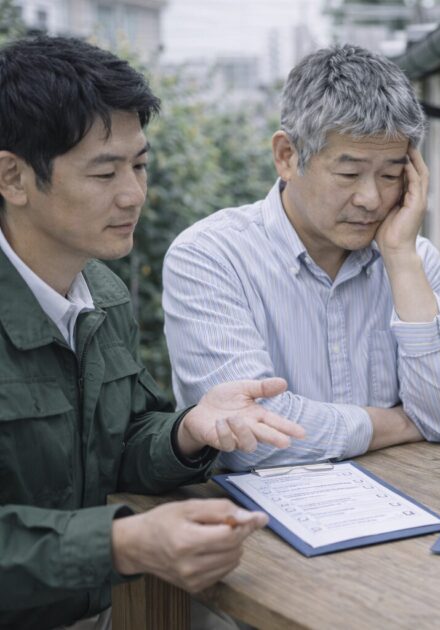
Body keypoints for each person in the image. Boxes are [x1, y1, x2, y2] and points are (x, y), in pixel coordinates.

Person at [0, 37, 305, 629]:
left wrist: (189, 430)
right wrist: (122, 543)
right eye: (104, 171)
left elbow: (118, 444)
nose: (133, 195)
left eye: (139, 165)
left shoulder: (103, 295)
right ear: (13, 177)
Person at [162, 45, 440, 471]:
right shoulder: (209, 257)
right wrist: (397, 424)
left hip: (404, 514)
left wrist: (401, 257)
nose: (371, 199)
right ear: (287, 156)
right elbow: (252, 438)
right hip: (257, 527)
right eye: (349, 174)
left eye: (391, 174)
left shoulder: (416, 260)